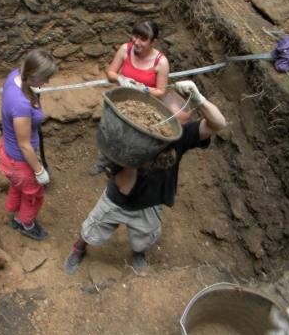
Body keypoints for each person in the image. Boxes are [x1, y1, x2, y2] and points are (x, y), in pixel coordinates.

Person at [64, 80, 227, 273]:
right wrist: (138, 156)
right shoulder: (129, 138)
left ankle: (138, 253)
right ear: (158, 116)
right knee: (93, 228)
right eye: (174, 125)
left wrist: (200, 100)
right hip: (118, 200)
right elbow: (124, 187)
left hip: (151, 203)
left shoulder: (181, 136)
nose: (177, 132)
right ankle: (79, 248)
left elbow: (218, 124)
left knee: (144, 236)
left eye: (182, 126)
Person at [89, 19, 187, 175]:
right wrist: (121, 79)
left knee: (135, 141)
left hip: (144, 110)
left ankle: (127, 169)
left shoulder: (161, 62)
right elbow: (110, 73)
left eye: (143, 39)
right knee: (114, 134)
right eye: (135, 36)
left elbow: (161, 91)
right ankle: (103, 161)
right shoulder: (125, 50)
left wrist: (144, 89)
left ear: (153, 42)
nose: (136, 42)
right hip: (122, 104)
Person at [0, 49, 58, 241]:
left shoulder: (14, 75)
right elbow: (24, 145)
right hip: (19, 161)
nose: (46, 83)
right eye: (44, 79)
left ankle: (14, 212)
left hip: (7, 151)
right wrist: (39, 171)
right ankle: (25, 223)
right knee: (33, 195)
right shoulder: (22, 105)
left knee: (17, 187)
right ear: (33, 77)